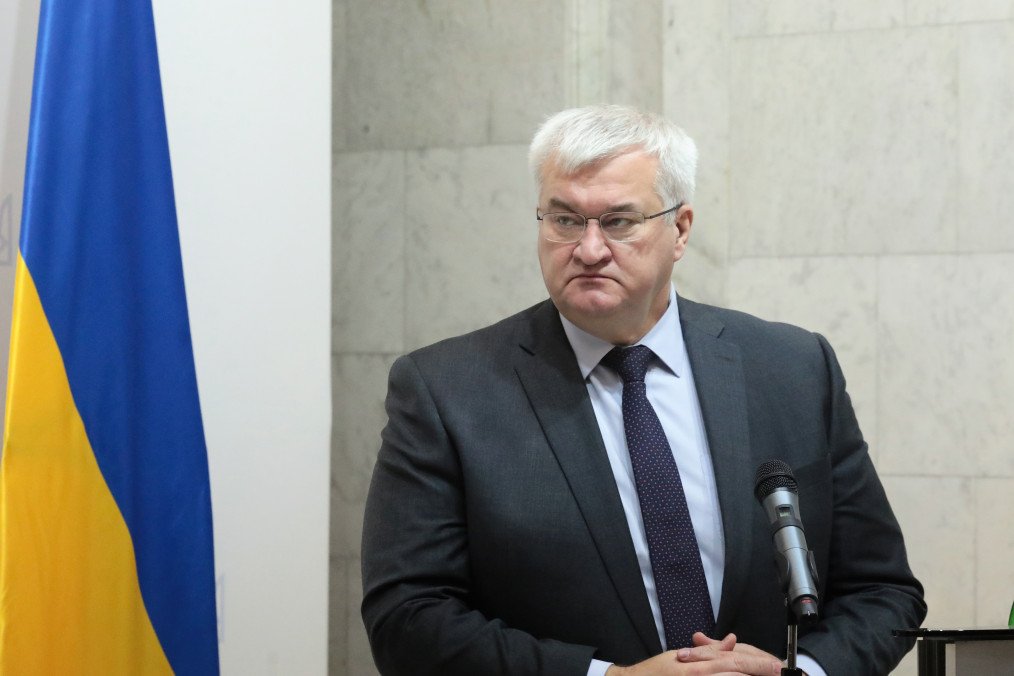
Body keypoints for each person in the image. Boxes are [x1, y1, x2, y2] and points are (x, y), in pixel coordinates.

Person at [360, 104, 926, 675]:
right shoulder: (445, 391)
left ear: (679, 230)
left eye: (618, 222)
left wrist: (801, 674)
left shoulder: (793, 368)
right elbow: (407, 620)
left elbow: (882, 591)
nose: (588, 249)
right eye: (563, 220)